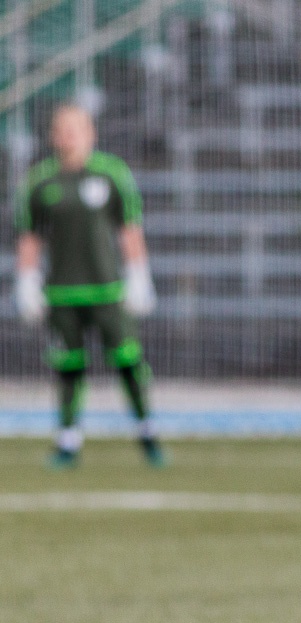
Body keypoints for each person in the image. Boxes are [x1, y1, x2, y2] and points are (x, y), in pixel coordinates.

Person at [14, 103, 165, 468]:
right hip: (63, 293)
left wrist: (138, 275)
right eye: (61, 129)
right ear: (53, 135)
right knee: (68, 368)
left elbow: (129, 228)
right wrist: (26, 281)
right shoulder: (40, 181)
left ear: (90, 133)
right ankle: (68, 441)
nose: (68, 136)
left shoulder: (111, 174)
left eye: (75, 129)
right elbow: (31, 237)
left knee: (129, 362)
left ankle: (147, 433)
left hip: (107, 290)